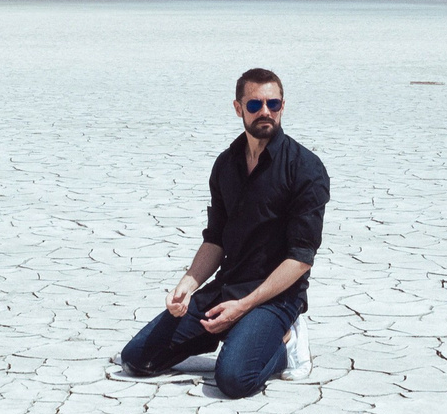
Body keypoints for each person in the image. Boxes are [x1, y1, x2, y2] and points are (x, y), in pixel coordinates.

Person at [116, 67, 329, 397]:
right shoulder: (226, 165)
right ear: (238, 108)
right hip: (226, 289)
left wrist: (243, 307)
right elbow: (215, 238)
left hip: (275, 297)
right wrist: (187, 285)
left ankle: (285, 342)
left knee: (234, 379)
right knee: (137, 359)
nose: (266, 112)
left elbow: (300, 259)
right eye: (255, 105)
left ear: (283, 106)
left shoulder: (305, 169)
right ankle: (240, 334)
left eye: (273, 104)